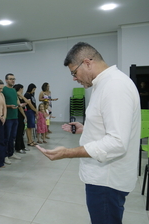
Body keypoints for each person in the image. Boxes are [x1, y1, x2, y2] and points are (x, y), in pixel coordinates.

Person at [37, 42, 141, 224]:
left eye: (73, 72)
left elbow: (117, 142)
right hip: (103, 177)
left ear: (87, 62)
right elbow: (111, 126)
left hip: (106, 181)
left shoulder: (114, 86)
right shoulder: (105, 84)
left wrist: (67, 153)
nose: (74, 78)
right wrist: (86, 128)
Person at [2, 73, 26, 164]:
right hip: (7, 117)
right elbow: (1, 103)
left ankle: (11, 153)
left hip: (15, 116)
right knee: (6, 137)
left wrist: (20, 105)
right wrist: (9, 106)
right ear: (6, 80)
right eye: (11, 79)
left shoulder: (13, 90)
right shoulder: (3, 90)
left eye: (14, 79)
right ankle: (5, 155)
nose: (13, 80)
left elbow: (16, 102)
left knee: (12, 137)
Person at [13, 84, 28, 153]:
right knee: (19, 132)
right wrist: (24, 115)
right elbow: (20, 107)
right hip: (19, 115)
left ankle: (22, 146)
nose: (23, 90)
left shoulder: (21, 97)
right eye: (22, 89)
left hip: (22, 115)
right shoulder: (16, 97)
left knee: (22, 131)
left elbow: (27, 102)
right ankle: (18, 147)